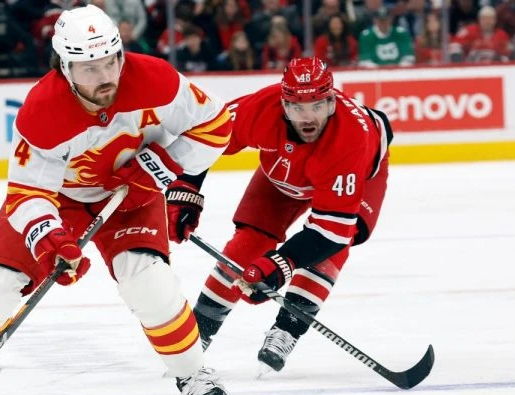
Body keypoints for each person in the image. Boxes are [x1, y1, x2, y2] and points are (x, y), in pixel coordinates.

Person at [0, 4, 233, 395]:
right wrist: (50, 239)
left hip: (132, 197)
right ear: (63, 67)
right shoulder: (42, 110)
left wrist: (163, 167)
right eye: (88, 68)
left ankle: (191, 372)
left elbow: (216, 124)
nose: (104, 77)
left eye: (110, 62)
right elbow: (28, 191)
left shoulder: (157, 79)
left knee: (148, 282)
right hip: (62, 200)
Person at [165, 57, 393, 374]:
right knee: (246, 246)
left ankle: (287, 328)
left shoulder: (350, 139)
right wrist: (186, 188)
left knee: (334, 246)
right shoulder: (262, 108)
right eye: (298, 108)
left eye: (317, 106)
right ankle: (197, 335)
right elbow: (207, 136)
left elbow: (331, 232)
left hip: (360, 176)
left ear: (332, 101)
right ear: (283, 104)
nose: (308, 117)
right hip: (282, 176)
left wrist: (281, 264)